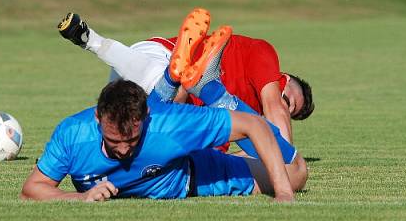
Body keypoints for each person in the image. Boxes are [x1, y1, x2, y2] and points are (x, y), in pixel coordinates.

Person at [20, 79, 307, 202]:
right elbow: (33, 189)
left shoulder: (169, 122)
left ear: (145, 117)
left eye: (131, 141)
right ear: (97, 118)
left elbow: (254, 125)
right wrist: (79, 197)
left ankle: (216, 94)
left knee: (296, 174)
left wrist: (283, 193)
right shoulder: (72, 133)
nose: (122, 150)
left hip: (197, 176)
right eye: (112, 141)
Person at [57, 8, 314, 145]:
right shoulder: (262, 54)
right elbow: (274, 108)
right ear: (285, 77)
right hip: (158, 56)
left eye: (289, 112)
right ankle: (92, 40)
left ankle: (69, 144)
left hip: (140, 95)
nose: (282, 108)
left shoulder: (243, 119)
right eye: (287, 99)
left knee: (124, 130)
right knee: (171, 88)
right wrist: (283, 156)